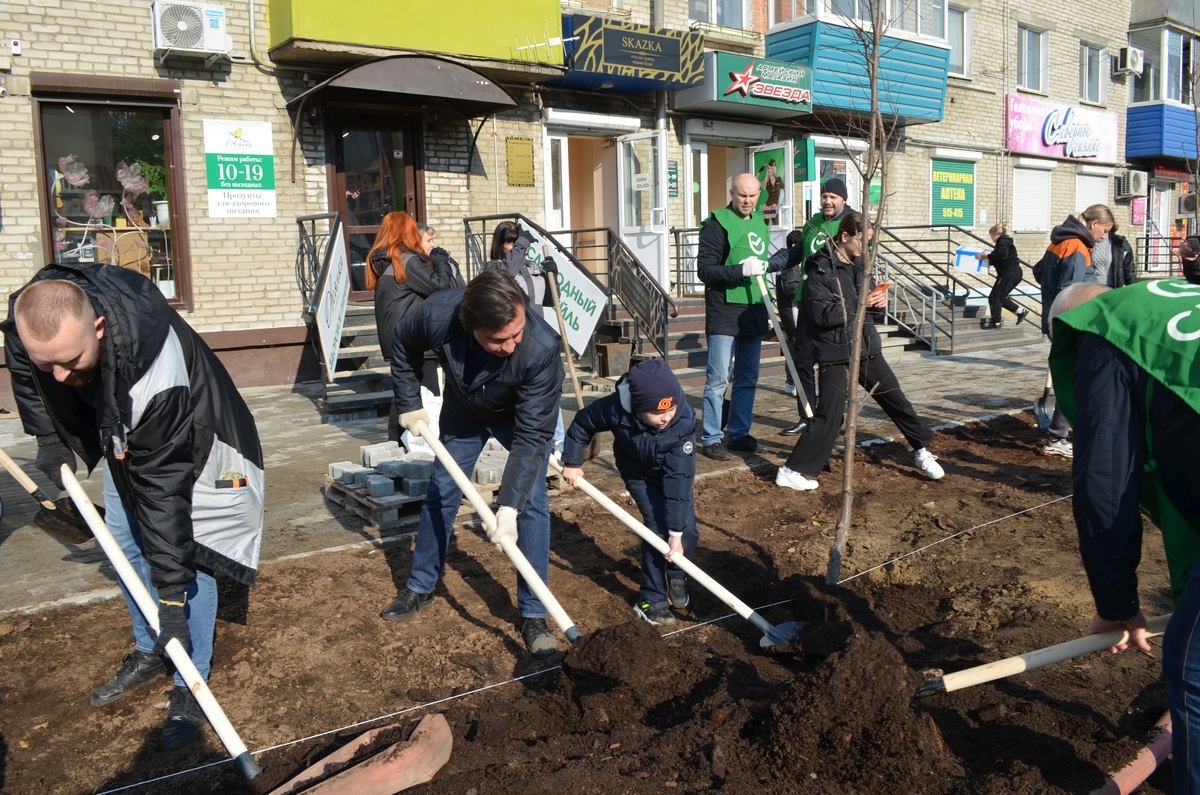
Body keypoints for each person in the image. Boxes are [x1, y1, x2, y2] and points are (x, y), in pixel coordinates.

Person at [2, 265, 264, 752]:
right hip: (124, 423)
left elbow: (164, 501)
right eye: (49, 364)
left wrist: (171, 599)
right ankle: (150, 650)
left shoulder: (155, 373)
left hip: (198, 437)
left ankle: (191, 678)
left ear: (98, 325)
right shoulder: (35, 317)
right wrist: (46, 438)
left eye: (69, 360)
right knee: (121, 542)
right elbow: (25, 367)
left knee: (191, 556)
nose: (59, 376)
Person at [1045, 279, 1200, 792]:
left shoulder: (1103, 331)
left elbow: (1105, 479)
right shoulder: (1168, 302)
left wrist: (1116, 602)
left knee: (1192, 661)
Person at [379, 269, 565, 657]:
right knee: (443, 490)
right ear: (471, 327)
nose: (512, 345)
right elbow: (402, 342)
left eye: (516, 333)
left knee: (531, 502)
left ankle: (533, 613)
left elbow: (532, 439)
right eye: (499, 340)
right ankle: (420, 586)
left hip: (517, 413)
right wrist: (410, 401)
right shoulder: (439, 315)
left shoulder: (541, 348)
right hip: (464, 411)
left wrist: (508, 507)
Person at [775, 212, 945, 491]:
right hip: (835, 352)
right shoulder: (820, 270)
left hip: (866, 348)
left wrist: (877, 305)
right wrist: (861, 303)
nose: (866, 247)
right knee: (831, 415)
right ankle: (792, 470)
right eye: (862, 240)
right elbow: (821, 315)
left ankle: (922, 450)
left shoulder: (860, 268)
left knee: (896, 400)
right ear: (845, 237)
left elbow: (865, 313)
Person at [560, 359, 699, 627]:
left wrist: (677, 535)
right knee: (657, 531)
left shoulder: (682, 420)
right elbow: (581, 424)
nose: (666, 417)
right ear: (637, 408)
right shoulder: (615, 409)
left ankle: (676, 571)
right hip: (639, 475)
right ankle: (651, 600)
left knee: (686, 531)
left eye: (670, 408)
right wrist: (573, 462)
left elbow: (678, 482)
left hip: (673, 474)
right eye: (658, 413)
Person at [696, 172, 799, 461]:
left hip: (753, 309)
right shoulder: (716, 224)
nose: (748, 201)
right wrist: (740, 270)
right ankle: (712, 437)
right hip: (724, 310)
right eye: (743, 195)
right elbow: (705, 271)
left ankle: (739, 433)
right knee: (717, 379)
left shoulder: (759, 222)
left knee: (748, 377)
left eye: (753, 196)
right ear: (731, 193)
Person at [367, 212, 465, 443]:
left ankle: (396, 443)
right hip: (413, 340)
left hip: (396, 337)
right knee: (426, 392)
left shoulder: (383, 259)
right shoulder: (407, 260)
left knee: (406, 392)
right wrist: (440, 263)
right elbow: (439, 288)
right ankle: (421, 445)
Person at [1032, 204, 1114, 457]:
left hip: (1055, 317)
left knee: (1071, 376)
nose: (1103, 237)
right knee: (1077, 378)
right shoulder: (1077, 247)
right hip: (1071, 322)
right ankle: (1058, 436)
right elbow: (1073, 291)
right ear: (1093, 223)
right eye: (1105, 230)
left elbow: (1038, 271)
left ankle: (1058, 432)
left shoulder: (1059, 242)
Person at [781, 177, 857, 431]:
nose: (827, 201)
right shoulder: (813, 222)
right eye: (824, 196)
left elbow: (858, 263)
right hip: (807, 300)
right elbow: (798, 252)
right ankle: (806, 415)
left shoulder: (849, 224)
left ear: (843, 200)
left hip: (834, 303)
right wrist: (771, 263)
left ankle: (832, 418)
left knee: (830, 364)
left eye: (833, 197)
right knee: (802, 360)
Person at [775, 228, 809, 436]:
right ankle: (792, 382)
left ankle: (791, 382)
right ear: (796, 247)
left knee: (793, 347)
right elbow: (790, 288)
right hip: (793, 314)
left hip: (791, 314)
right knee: (796, 348)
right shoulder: (790, 262)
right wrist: (810, 287)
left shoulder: (784, 259)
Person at [975, 223, 1028, 328]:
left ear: (995, 233)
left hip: (1009, 273)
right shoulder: (1004, 242)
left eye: (991, 235)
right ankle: (1020, 311)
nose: (991, 238)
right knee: (996, 297)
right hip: (1011, 272)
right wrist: (988, 259)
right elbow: (999, 258)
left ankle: (996, 323)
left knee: (996, 298)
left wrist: (987, 255)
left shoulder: (1003, 242)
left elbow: (1001, 256)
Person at [1104, 222, 1138, 288]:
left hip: (1114, 289)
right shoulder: (1087, 242)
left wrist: (1133, 291)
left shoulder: (1120, 243)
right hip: (1092, 289)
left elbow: (1129, 272)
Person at [758, 159, 785, 226]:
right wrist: (759, 171)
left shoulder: (778, 179)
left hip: (775, 207)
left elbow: (786, 191)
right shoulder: (766, 182)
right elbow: (755, 181)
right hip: (767, 207)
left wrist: (783, 203)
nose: (770, 170)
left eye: (771, 168)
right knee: (765, 226)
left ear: (774, 169)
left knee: (777, 225)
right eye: (768, 168)